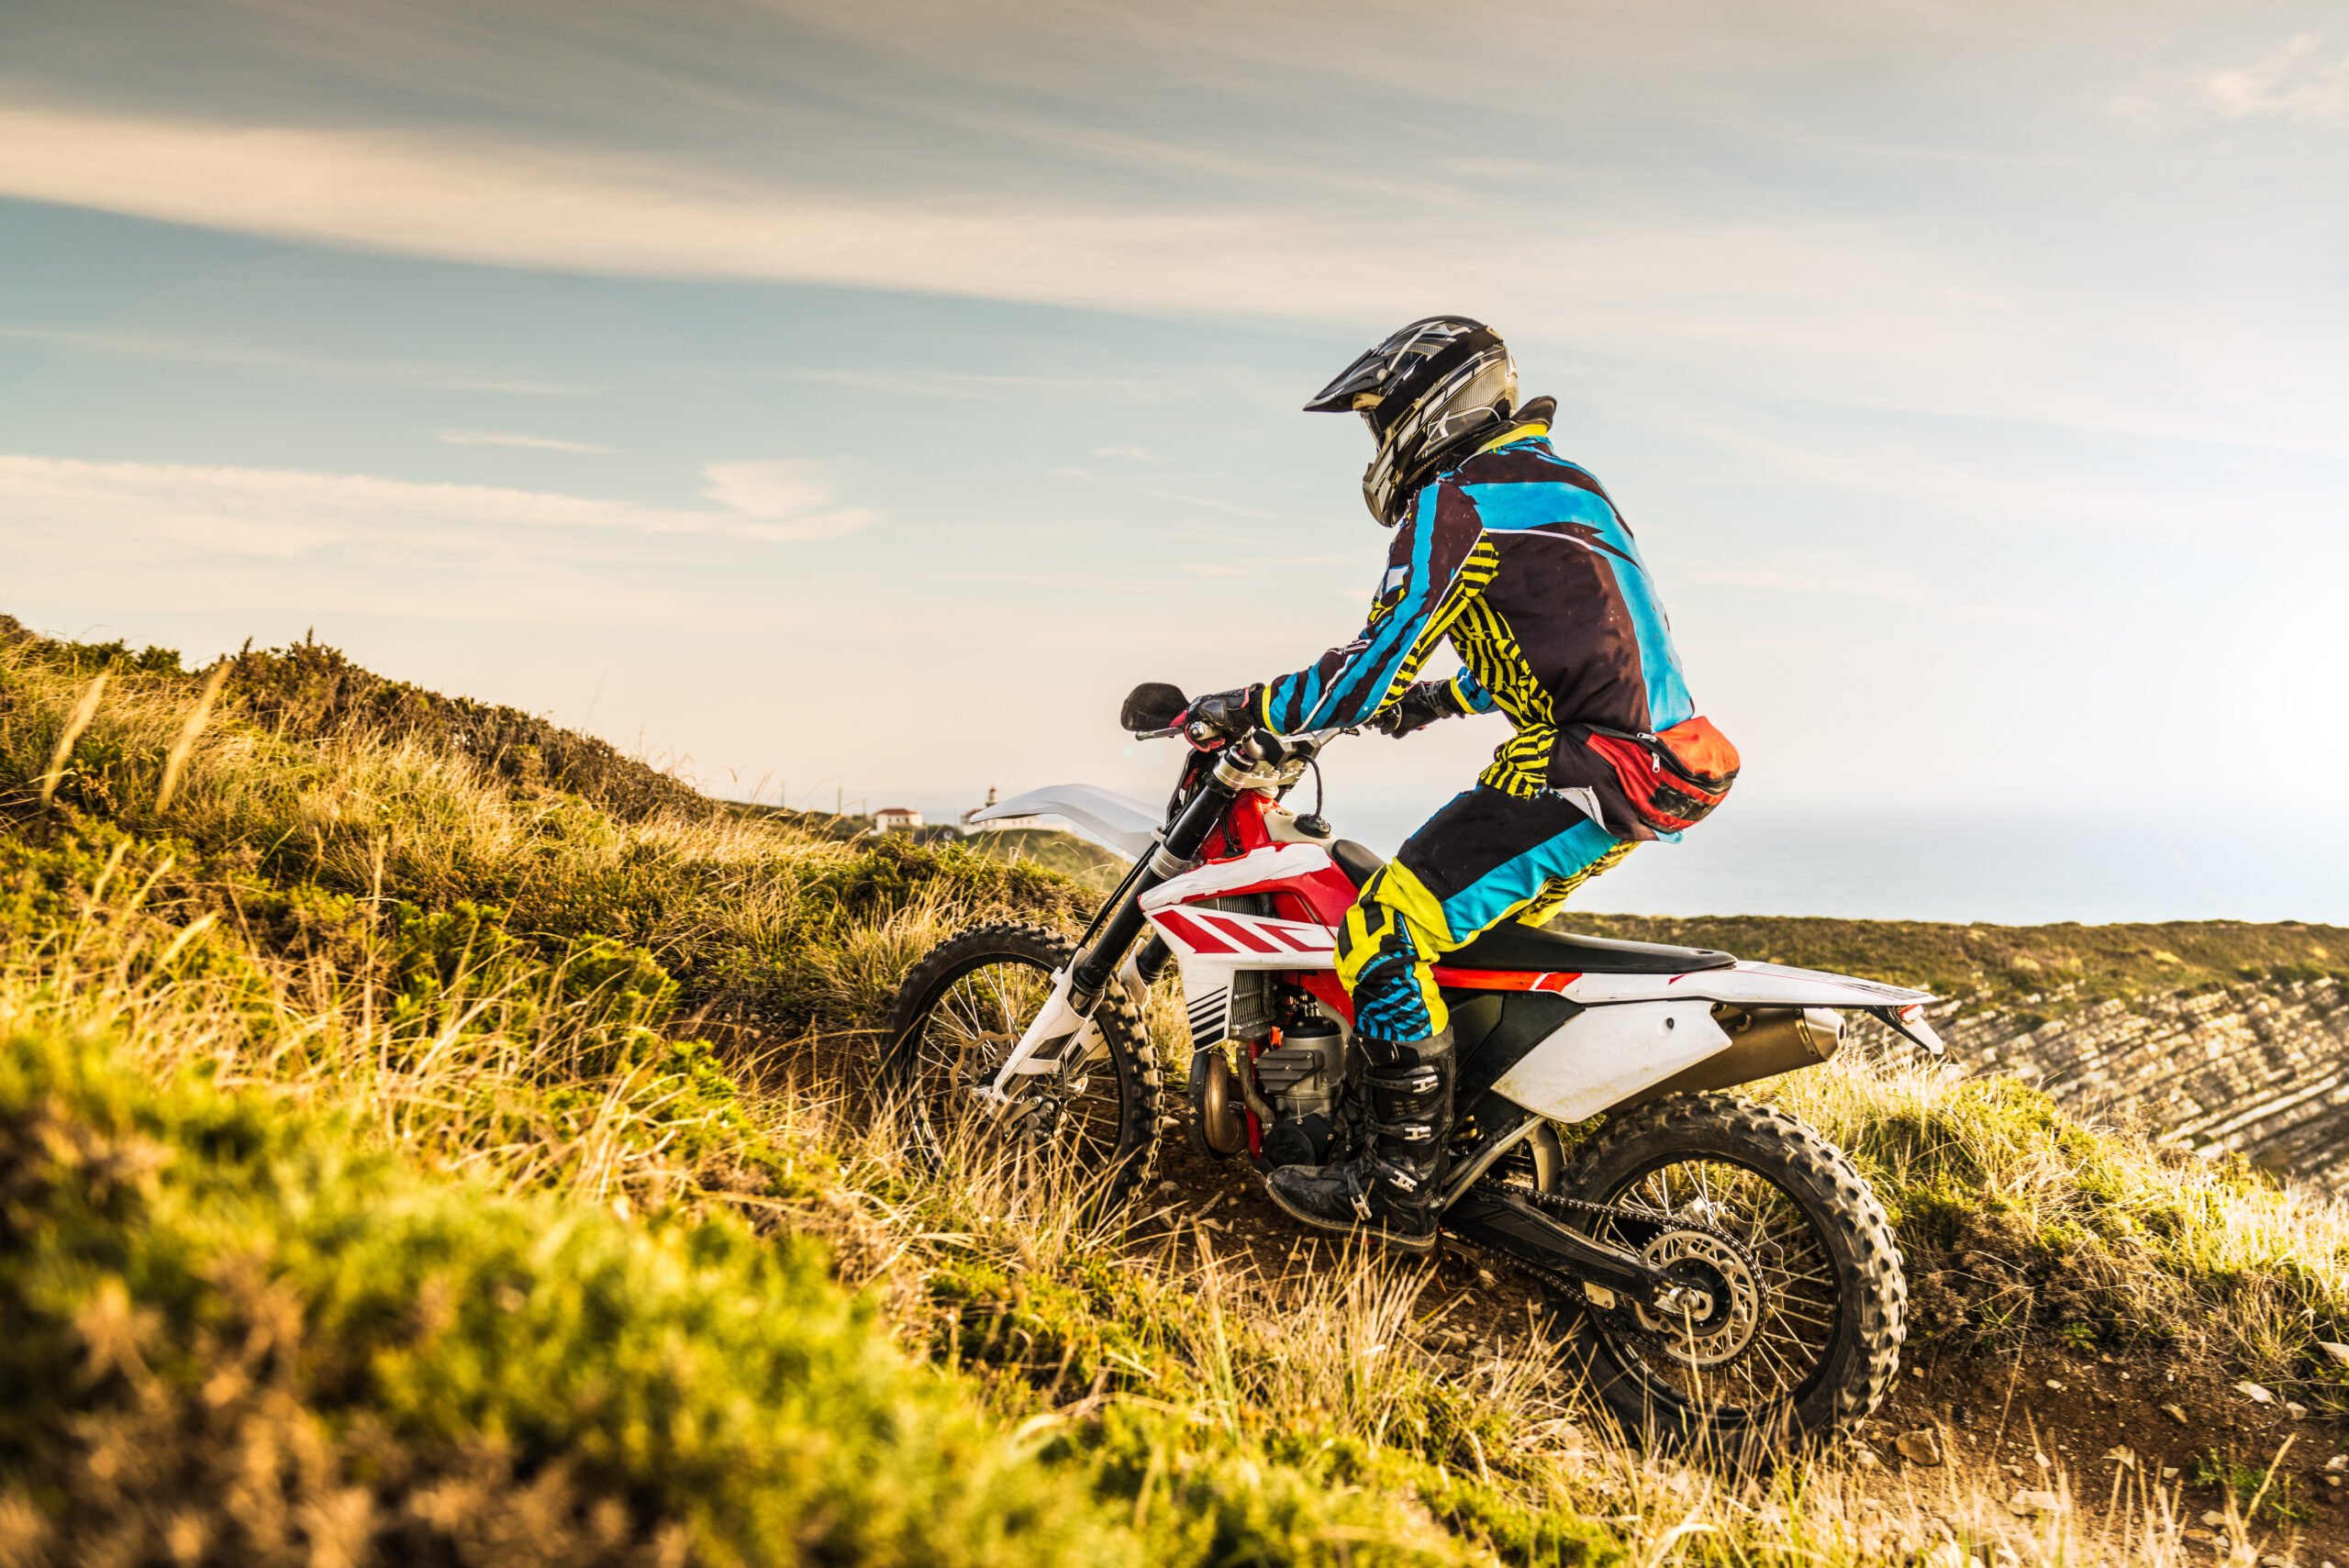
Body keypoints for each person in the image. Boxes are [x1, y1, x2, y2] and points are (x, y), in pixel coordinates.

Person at [1183, 317, 1740, 1250]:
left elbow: (1366, 667)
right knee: (1461, 947)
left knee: (1383, 928)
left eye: (1379, 420)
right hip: (1645, 762)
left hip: (1578, 768)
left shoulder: (1459, 498)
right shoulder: (1560, 483)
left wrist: (1247, 706)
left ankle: (1394, 1187)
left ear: (1431, 408)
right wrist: (1435, 701)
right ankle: (1475, 1140)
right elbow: (1567, 634)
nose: (1377, 444)